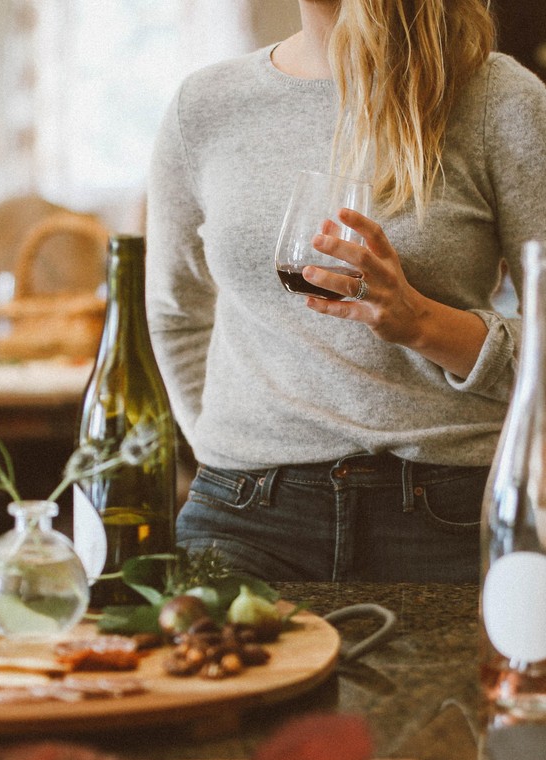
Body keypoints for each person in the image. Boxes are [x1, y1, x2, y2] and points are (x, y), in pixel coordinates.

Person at [146, 0, 546, 583]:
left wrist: (422, 324)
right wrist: (226, 445)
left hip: (446, 513)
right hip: (242, 517)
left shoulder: (496, 97)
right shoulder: (203, 106)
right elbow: (175, 314)